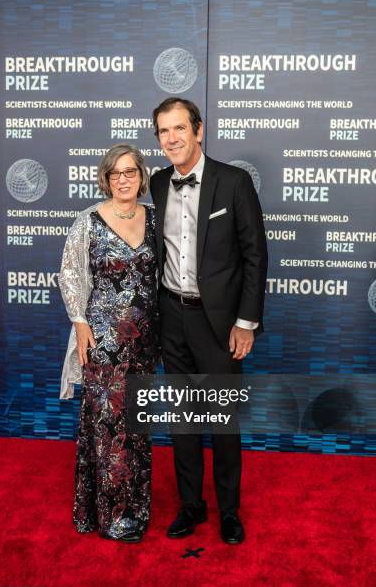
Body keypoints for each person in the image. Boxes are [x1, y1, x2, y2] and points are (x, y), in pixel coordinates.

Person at [150, 98, 268, 544]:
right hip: (171, 318)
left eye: (180, 128)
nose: (172, 138)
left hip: (219, 324)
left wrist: (246, 322)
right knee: (182, 421)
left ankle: (229, 511)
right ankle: (190, 506)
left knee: (222, 422)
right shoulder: (158, 184)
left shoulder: (234, 182)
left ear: (199, 131)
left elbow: (255, 256)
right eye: (164, 131)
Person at [59, 144, 159, 543]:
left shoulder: (154, 219)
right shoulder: (88, 221)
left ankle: (137, 506)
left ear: (141, 176)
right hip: (103, 343)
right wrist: (80, 323)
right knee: (108, 426)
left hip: (145, 344)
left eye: (130, 172)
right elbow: (69, 275)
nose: (123, 179)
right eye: (115, 173)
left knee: (137, 425)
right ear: (105, 177)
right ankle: (112, 514)